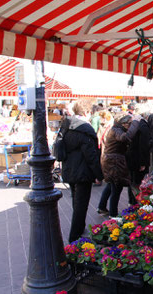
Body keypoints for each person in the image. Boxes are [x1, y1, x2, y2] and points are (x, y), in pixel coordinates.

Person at [60, 100, 103, 243]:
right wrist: (99, 175)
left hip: (69, 169)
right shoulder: (85, 129)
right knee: (81, 205)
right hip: (82, 172)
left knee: (76, 202)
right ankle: (75, 237)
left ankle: (79, 228)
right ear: (86, 112)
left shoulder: (67, 126)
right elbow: (91, 155)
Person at [97, 113, 139, 217]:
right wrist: (136, 123)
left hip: (111, 161)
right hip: (114, 162)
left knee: (111, 185)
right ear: (124, 123)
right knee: (116, 187)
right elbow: (125, 138)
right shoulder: (117, 130)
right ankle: (113, 214)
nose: (130, 126)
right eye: (129, 123)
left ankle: (102, 207)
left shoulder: (115, 129)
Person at [126, 105, 151, 205]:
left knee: (132, 181)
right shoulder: (142, 125)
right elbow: (143, 146)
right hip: (138, 158)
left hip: (131, 157)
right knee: (138, 182)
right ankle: (137, 202)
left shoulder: (132, 123)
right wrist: (143, 163)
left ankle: (131, 201)